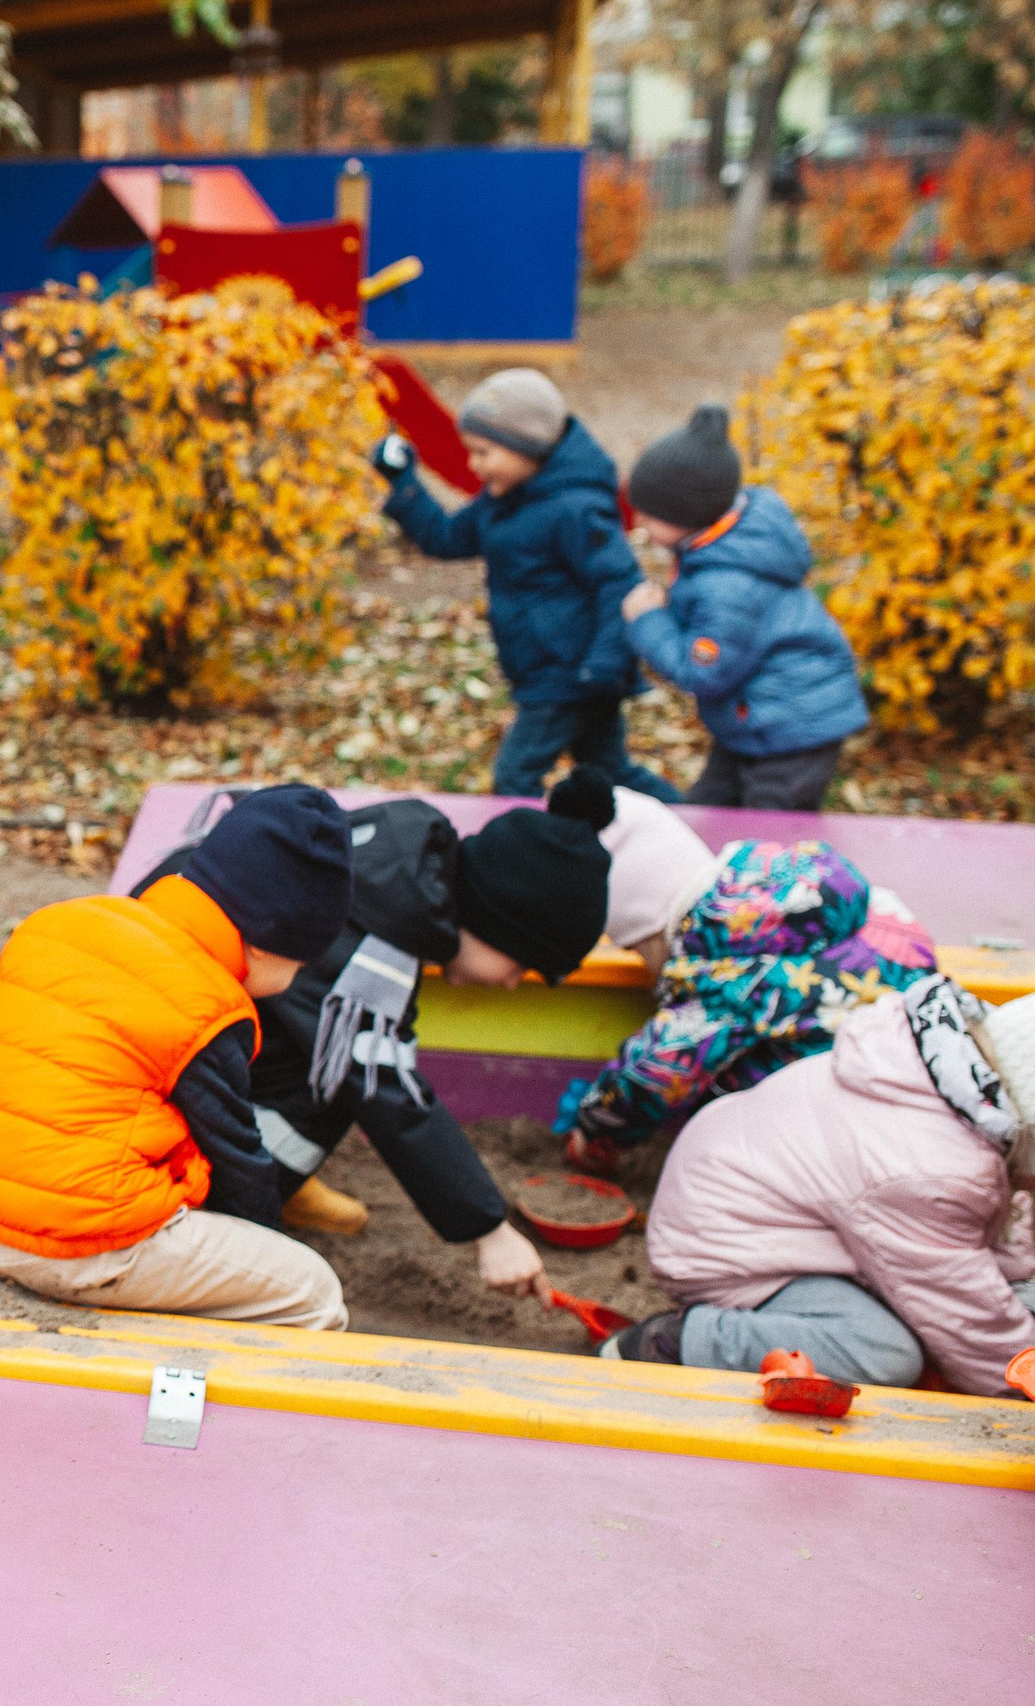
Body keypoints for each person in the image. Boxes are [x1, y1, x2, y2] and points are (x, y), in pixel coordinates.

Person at [129, 787, 611, 1304]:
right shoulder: (363, 940)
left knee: (324, 1060)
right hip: (148, 1058)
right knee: (337, 1076)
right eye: (523, 966)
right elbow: (388, 1091)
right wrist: (490, 1230)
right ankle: (222, 1207)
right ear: (499, 923)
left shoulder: (395, 875)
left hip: (180, 1008)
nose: (513, 984)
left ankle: (275, 1183)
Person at [0, 785, 356, 1330]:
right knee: (310, 1289)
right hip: (77, 1244)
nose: (295, 980)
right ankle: (198, 1377)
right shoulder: (207, 1007)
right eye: (300, 964)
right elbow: (237, 1160)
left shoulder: (65, 922)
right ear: (267, 941)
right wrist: (264, 1244)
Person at [605, 976, 1035, 1397]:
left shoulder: (946, 1070)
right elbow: (962, 1316)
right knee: (883, 1352)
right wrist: (1019, 1376)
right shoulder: (930, 1166)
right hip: (730, 1242)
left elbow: (993, 1230)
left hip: (777, 1197)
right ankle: (675, 1341)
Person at [553, 766, 937, 1172]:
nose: (647, 968)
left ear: (655, 929)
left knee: (716, 1093)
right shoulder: (780, 895)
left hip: (847, 1115)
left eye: (637, 950)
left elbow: (661, 1069)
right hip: (907, 1064)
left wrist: (596, 1125)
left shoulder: (718, 964)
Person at [373, 368, 677, 803]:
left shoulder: (575, 508)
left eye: (484, 452)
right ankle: (691, 819)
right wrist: (403, 482)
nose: (474, 465)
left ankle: (529, 846)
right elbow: (445, 538)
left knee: (516, 777)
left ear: (527, 447)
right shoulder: (500, 503)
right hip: (552, 672)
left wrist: (604, 665)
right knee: (609, 773)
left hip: (571, 674)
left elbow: (619, 585)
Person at [619, 403, 870, 811]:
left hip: (790, 730)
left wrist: (648, 623)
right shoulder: (720, 544)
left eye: (649, 516)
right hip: (753, 721)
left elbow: (704, 672)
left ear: (688, 514)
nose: (639, 525)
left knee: (769, 828)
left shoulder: (729, 587)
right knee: (708, 813)